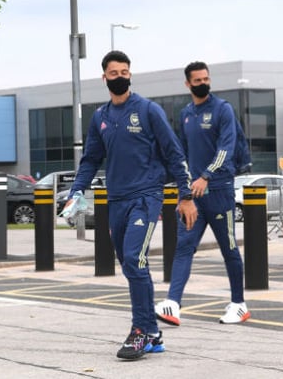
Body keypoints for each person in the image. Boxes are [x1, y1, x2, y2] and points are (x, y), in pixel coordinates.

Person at [67, 50, 194, 360]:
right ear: (104, 78)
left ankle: (140, 331)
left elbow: (174, 153)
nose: (121, 77)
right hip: (116, 200)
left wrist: (185, 194)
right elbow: (91, 159)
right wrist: (76, 191)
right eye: (115, 73)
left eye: (125, 72)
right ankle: (152, 333)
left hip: (146, 197)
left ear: (130, 74)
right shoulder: (100, 117)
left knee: (134, 259)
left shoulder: (149, 111)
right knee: (130, 265)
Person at [155, 61, 250, 328]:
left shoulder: (223, 110)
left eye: (206, 78)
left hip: (219, 190)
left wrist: (206, 175)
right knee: (184, 247)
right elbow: (181, 156)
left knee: (229, 248)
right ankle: (173, 303)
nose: (203, 83)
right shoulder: (186, 114)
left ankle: (239, 305)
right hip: (194, 196)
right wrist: (183, 191)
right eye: (197, 80)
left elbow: (226, 148)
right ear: (188, 84)